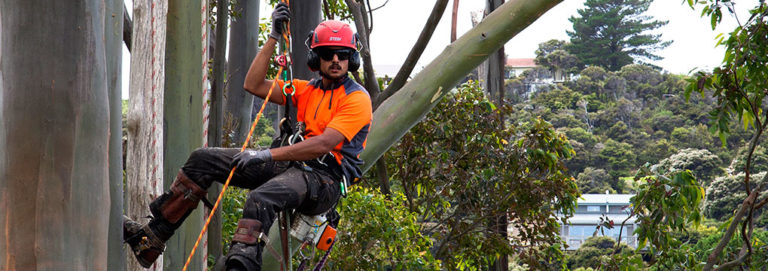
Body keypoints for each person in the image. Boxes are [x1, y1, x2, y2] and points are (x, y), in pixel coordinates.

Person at [123, 3, 372, 270]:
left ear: (351, 59)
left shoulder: (357, 98)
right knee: (202, 160)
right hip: (294, 167)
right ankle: (152, 238)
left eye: (342, 54)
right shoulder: (305, 90)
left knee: (261, 198)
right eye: (328, 54)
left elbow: (323, 144)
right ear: (316, 59)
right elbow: (252, 84)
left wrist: (264, 154)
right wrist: (273, 37)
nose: (336, 60)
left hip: (325, 180)